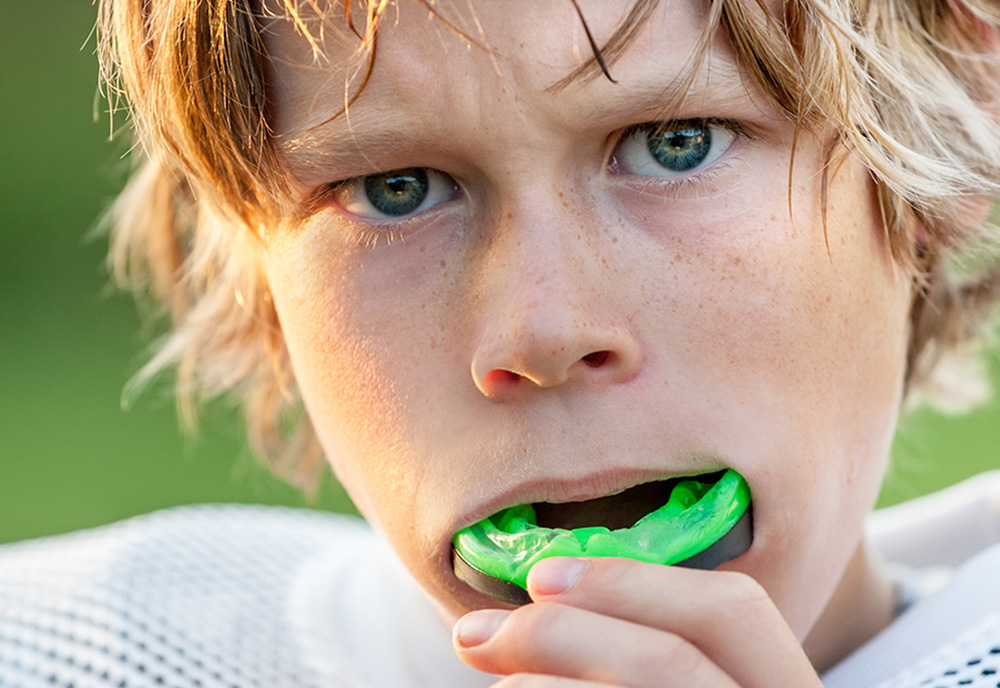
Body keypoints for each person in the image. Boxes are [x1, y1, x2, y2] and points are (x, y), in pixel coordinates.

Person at [3, 0, 1000, 686]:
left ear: (949, 137)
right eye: (397, 189)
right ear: (258, 277)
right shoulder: (76, 648)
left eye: (675, 141)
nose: (543, 330)